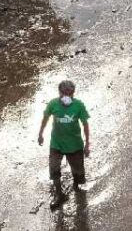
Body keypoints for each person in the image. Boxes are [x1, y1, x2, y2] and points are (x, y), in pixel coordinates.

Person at [38, 80, 92, 208]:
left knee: (78, 171)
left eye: (70, 93)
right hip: (56, 144)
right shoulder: (53, 104)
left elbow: (85, 124)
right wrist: (40, 134)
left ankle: (76, 186)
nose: (67, 96)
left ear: (73, 93)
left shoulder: (79, 105)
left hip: (75, 145)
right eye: (64, 93)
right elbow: (45, 118)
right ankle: (59, 194)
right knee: (54, 169)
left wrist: (87, 144)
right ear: (59, 93)